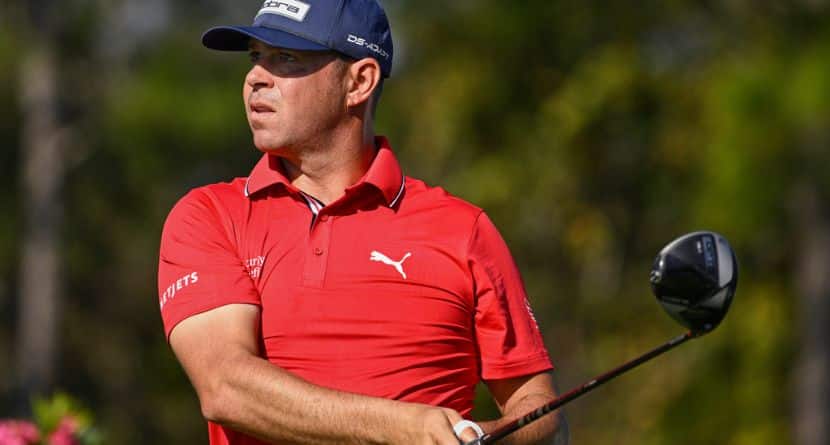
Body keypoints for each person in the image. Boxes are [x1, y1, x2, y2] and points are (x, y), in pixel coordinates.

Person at [157, 1, 568, 444]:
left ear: (359, 81)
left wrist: (486, 437)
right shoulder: (211, 216)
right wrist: (401, 428)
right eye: (256, 57)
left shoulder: (463, 230)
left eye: (286, 58)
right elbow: (226, 388)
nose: (256, 77)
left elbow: (542, 415)